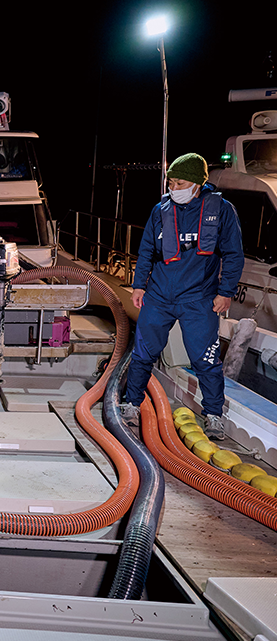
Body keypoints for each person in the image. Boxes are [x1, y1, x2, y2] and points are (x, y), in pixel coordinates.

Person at [121, 153, 244, 438]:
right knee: (143, 353)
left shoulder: (222, 210)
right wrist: (139, 286)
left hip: (199, 299)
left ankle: (213, 414)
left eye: (181, 182)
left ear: (198, 183)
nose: (174, 188)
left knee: (206, 360)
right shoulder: (159, 211)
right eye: (171, 182)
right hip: (159, 296)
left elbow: (234, 255)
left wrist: (225, 292)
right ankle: (131, 403)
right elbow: (147, 252)